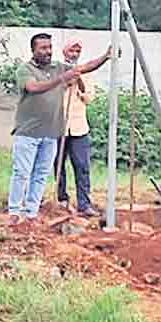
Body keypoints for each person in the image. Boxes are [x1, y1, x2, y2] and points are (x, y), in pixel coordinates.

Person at [7, 34, 112, 225]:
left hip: (51, 133)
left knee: (40, 175)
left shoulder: (57, 67)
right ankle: (14, 212)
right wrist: (61, 79)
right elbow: (33, 87)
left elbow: (83, 68)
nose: (47, 51)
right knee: (22, 172)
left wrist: (105, 57)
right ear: (33, 50)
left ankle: (31, 213)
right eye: (42, 48)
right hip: (28, 133)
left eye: (49, 47)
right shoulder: (25, 70)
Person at [54, 40, 99, 216]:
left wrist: (78, 77)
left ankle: (84, 204)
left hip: (79, 128)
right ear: (65, 52)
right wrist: (66, 81)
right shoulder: (56, 71)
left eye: (77, 51)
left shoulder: (86, 72)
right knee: (58, 165)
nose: (74, 53)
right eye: (71, 50)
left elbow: (89, 98)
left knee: (82, 166)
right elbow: (51, 94)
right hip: (58, 126)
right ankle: (61, 200)